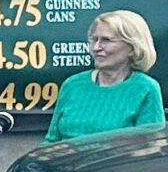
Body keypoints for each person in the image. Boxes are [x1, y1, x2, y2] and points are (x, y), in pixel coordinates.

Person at [48, 11, 165, 142]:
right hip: (66, 156)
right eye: (94, 40)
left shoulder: (145, 88)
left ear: (133, 48)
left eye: (106, 40)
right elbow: (51, 141)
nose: (96, 48)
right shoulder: (72, 85)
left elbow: (151, 146)